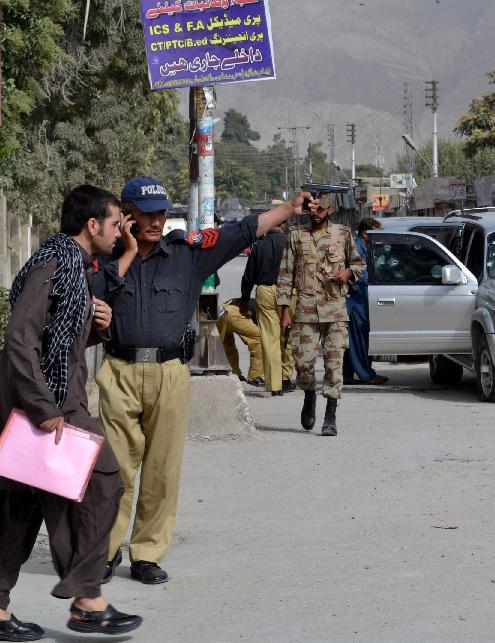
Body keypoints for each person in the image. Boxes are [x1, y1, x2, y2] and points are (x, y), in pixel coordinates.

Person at [93, 176, 308, 585]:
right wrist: (127, 253)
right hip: (118, 371)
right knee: (114, 470)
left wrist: (287, 209)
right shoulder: (108, 257)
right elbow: (89, 294)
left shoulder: (187, 254)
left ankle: (147, 554)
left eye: (161, 213)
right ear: (127, 216)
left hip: (171, 373)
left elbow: (240, 231)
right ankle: (105, 552)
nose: (156, 221)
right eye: (146, 213)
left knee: (162, 469)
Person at [0, 185, 142, 637]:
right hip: (50, 405)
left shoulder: (74, 267)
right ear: (92, 224)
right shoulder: (54, 264)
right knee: (104, 480)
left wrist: (95, 326)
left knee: (21, 511)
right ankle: (87, 598)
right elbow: (21, 337)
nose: (121, 232)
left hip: (51, 400)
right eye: (116, 223)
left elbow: (56, 337)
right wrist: (44, 407)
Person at [277, 193, 366, 436]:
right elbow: (285, 275)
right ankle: (308, 394)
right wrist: (285, 311)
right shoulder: (296, 236)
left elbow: (359, 263)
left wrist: (347, 274)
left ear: (330, 211)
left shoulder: (343, 234)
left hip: (335, 310)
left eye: (320, 210)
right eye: (312, 209)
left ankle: (330, 415)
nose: (315, 214)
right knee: (303, 363)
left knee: (333, 364)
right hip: (305, 311)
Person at [239, 223, 296, 396]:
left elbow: (248, 274)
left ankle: (274, 385)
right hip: (288, 291)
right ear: (283, 226)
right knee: (287, 334)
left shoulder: (259, 245)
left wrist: (244, 299)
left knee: (269, 338)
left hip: (264, 290)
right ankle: (286, 377)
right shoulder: (290, 243)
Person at [343, 217, 389, 385]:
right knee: (358, 340)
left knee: (354, 340)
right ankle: (366, 374)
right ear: (365, 233)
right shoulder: (357, 247)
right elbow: (359, 276)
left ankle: (347, 374)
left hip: (361, 299)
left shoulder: (365, 246)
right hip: (357, 300)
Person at [217, 298, 265, 387]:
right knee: (259, 338)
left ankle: (234, 372)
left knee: (228, 344)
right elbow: (251, 330)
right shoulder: (262, 308)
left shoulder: (253, 302)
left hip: (220, 310)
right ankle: (255, 376)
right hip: (234, 313)